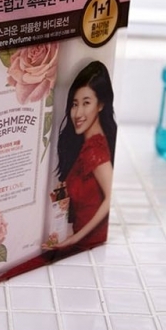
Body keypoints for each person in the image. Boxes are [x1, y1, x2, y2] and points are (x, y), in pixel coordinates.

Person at [43, 60, 116, 252]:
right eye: (75, 104)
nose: (78, 113)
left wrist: (74, 238)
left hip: (90, 243)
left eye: (86, 103)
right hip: (81, 240)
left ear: (101, 104)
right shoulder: (85, 147)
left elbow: (110, 197)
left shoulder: (95, 149)